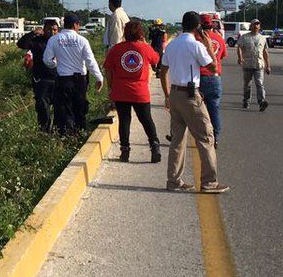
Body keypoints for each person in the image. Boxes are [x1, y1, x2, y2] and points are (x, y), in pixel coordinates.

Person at [157, 11, 227, 193]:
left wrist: (166, 95)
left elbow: (163, 71)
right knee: (206, 137)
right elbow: (213, 66)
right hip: (190, 95)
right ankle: (209, 182)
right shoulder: (196, 46)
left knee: (177, 140)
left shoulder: (171, 46)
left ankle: (174, 181)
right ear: (198, 27)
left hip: (175, 94)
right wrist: (207, 44)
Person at [103, 19, 162, 163]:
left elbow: (108, 69)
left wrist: (111, 88)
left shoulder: (116, 49)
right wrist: (146, 44)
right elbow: (156, 60)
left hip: (121, 90)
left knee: (124, 121)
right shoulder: (144, 48)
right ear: (141, 33)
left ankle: (125, 152)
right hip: (140, 91)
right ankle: (154, 148)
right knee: (146, 120)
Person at [43, 13, 103, 134]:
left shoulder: (54, 39)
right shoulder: (82, 40)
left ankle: (68, 134)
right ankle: (81, 131)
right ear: (75, 25)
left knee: (65, 109)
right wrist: (99, 77)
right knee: (80, 107)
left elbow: (47, 60)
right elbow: (90, 61)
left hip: (63, 79)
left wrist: (56, 65)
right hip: (79, 80)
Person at [17, 20, 58, 132]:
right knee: (43, 108)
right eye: (49, 29)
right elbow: (21, 44)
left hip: (58, 80)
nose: (52, 32)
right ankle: (44, 133)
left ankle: (58, 133)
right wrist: (32, 33)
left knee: (60, 108)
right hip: (42, 80)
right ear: (44, 30)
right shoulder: (37, 41)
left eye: (54, 30)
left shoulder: (60, 41)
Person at [198, 14, 227, 145]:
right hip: (215, 78)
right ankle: (215, 135)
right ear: (212, 24)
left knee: (196, 110)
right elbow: (223, 55)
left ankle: (200, 135)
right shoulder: (219, 39)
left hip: (199, 78)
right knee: (214, 108)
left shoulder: (197, 39)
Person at [236, 18, 270, 111]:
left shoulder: (262, 38)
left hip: (259, 65)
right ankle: (246, 101)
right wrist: (240, 57)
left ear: (259, 26)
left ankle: (261, 102)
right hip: (247, 65)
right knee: (247, 85)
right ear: (251, 26)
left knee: (259, 83)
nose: (256, 26)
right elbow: (239, 47)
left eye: (257, 24)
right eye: (254, 24)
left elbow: (265, 52)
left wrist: (268, 65)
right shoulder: (244, 37)